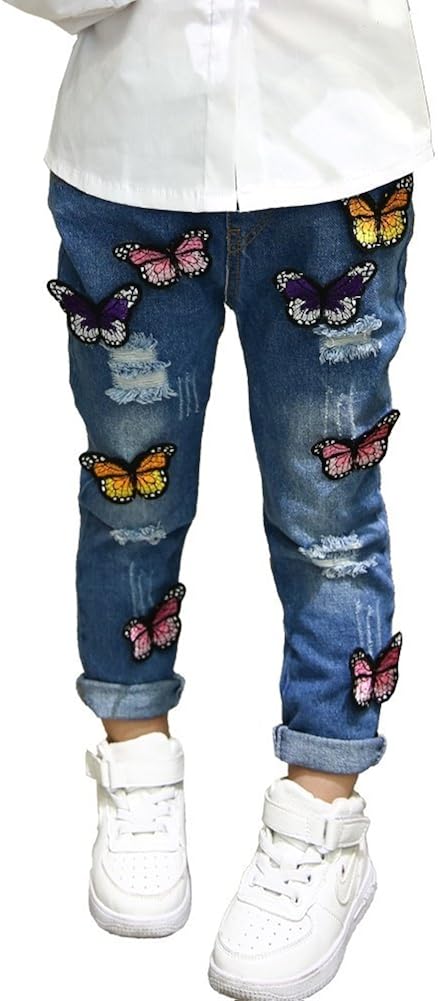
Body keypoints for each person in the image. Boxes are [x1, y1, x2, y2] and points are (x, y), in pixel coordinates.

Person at [2, 1, 434, 998]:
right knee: (129, 496)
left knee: (329, 512)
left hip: (334, 155)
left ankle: (323, 812)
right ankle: (136, 761)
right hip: (131, 163)